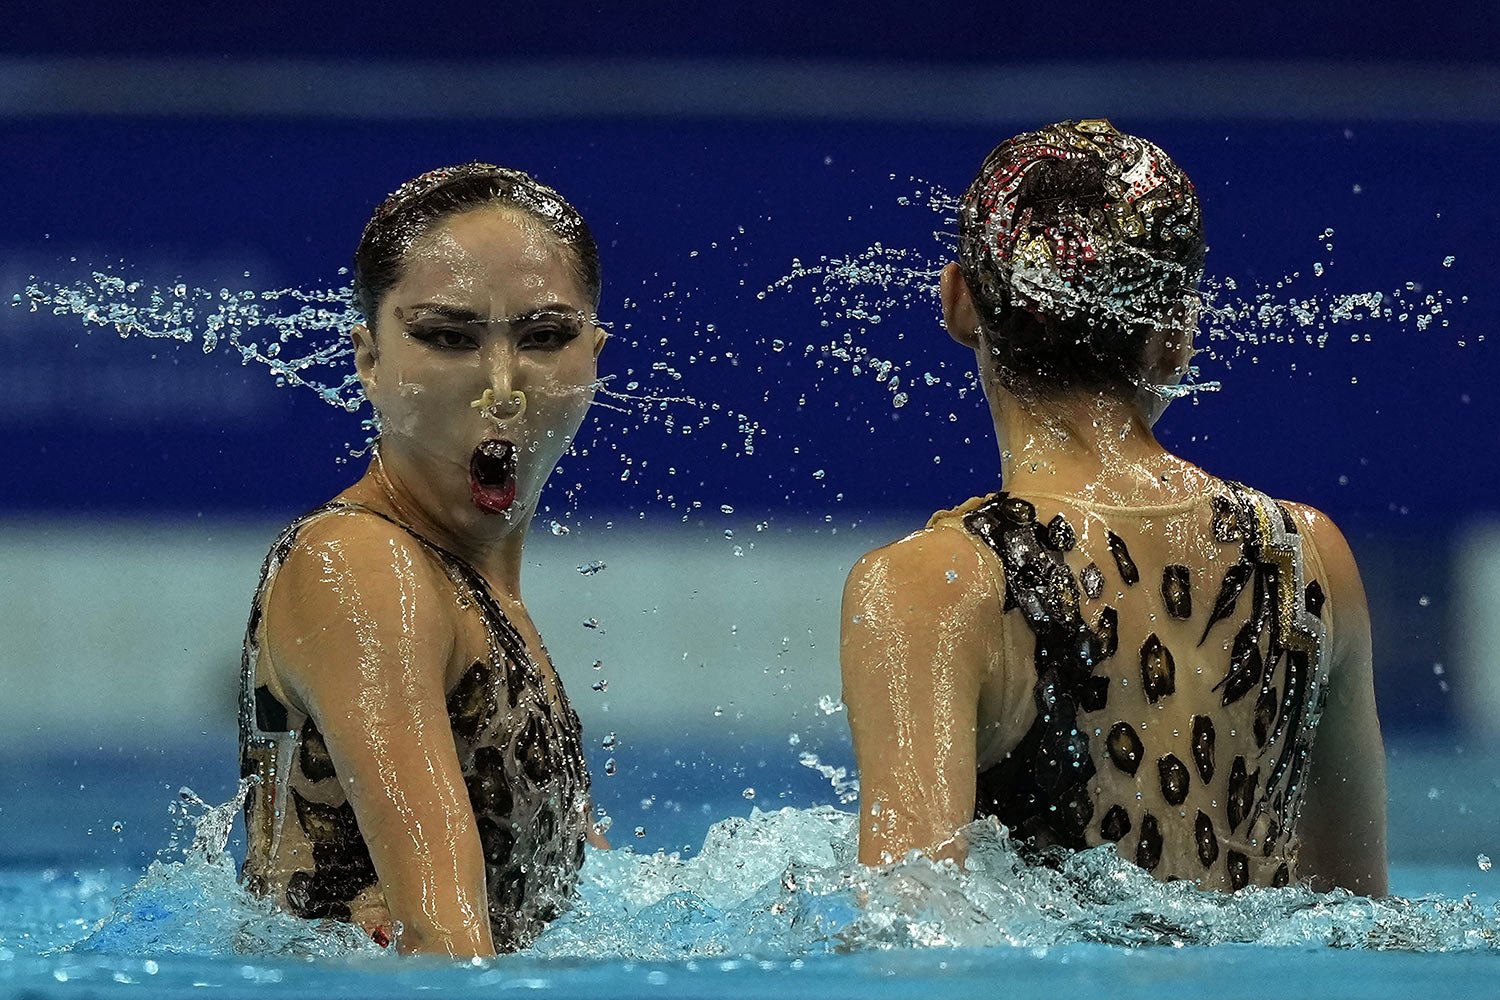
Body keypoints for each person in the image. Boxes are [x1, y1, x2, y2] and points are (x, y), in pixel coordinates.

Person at [839, 120, 1387, 894]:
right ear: (1175, 336)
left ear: (959, 302)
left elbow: (911, 928)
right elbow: (1358, 919)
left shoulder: (933, 586)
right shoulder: (1308, 555)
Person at [238, 163, 610, 957]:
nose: (503, 386)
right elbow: (445, 949)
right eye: (448, 337)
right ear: (368, 359)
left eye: (546, 337)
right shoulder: (364, 567)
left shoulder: (469, 582)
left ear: (595, 357)